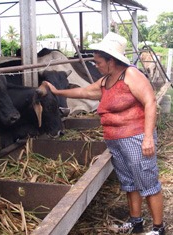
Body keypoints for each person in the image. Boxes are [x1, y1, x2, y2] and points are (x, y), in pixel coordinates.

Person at [43, 32, 165, 235]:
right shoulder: (106, 80)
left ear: (111, 60)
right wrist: (57, 92)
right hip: (116, 141)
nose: (96, 65)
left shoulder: (131, 75)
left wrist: (147, 137)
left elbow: (150, 102)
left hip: (136, 139)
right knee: (129, 183)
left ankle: (158, 228)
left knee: (148, 182)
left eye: (99, 61)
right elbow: (84, 92)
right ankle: (136, 223)